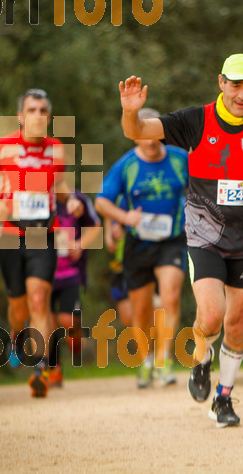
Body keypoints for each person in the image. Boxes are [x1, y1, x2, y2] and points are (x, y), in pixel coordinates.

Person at [118, 55, 243, 426]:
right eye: (236, 85)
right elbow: (137, 131)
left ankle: (224, 399)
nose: (242, 94)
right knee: (213, 315)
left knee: (237, 322)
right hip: (204, 236)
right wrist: (130, 112)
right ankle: (202, 360)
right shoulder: (195, 120)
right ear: (221, 82)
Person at [0, 88, 83, 398]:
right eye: (32, 110)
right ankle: (17, 332)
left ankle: (41, 369)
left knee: (39, 299)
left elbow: (59, 185)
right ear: (20, 117)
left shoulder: (57, 149)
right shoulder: (2, 147)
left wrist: (70, 201)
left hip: (42, 233)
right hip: (8, 233)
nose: (38, 116)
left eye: (43, 111)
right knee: (18, 308)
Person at [95, 112, 188, 388]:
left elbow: (202, 184)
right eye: (143, 135)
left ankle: (164, 361)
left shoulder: (179, 158)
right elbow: (102, 202)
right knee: (142, 309)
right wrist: (123, 219)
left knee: (170, 297)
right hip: (138, 243)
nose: (150, 140)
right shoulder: (126, 166)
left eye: (154, 133)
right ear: (135, 135)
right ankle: (146, 359)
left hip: (172, 239)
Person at [47, 190, 101, 387]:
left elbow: (96, 226)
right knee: (49, 324)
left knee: (67, 321)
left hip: (71, 273)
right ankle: (54, 369)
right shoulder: (38, 198)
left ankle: (76, 338)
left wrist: (80, 244)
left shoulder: (79, 200)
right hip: (44, 273)